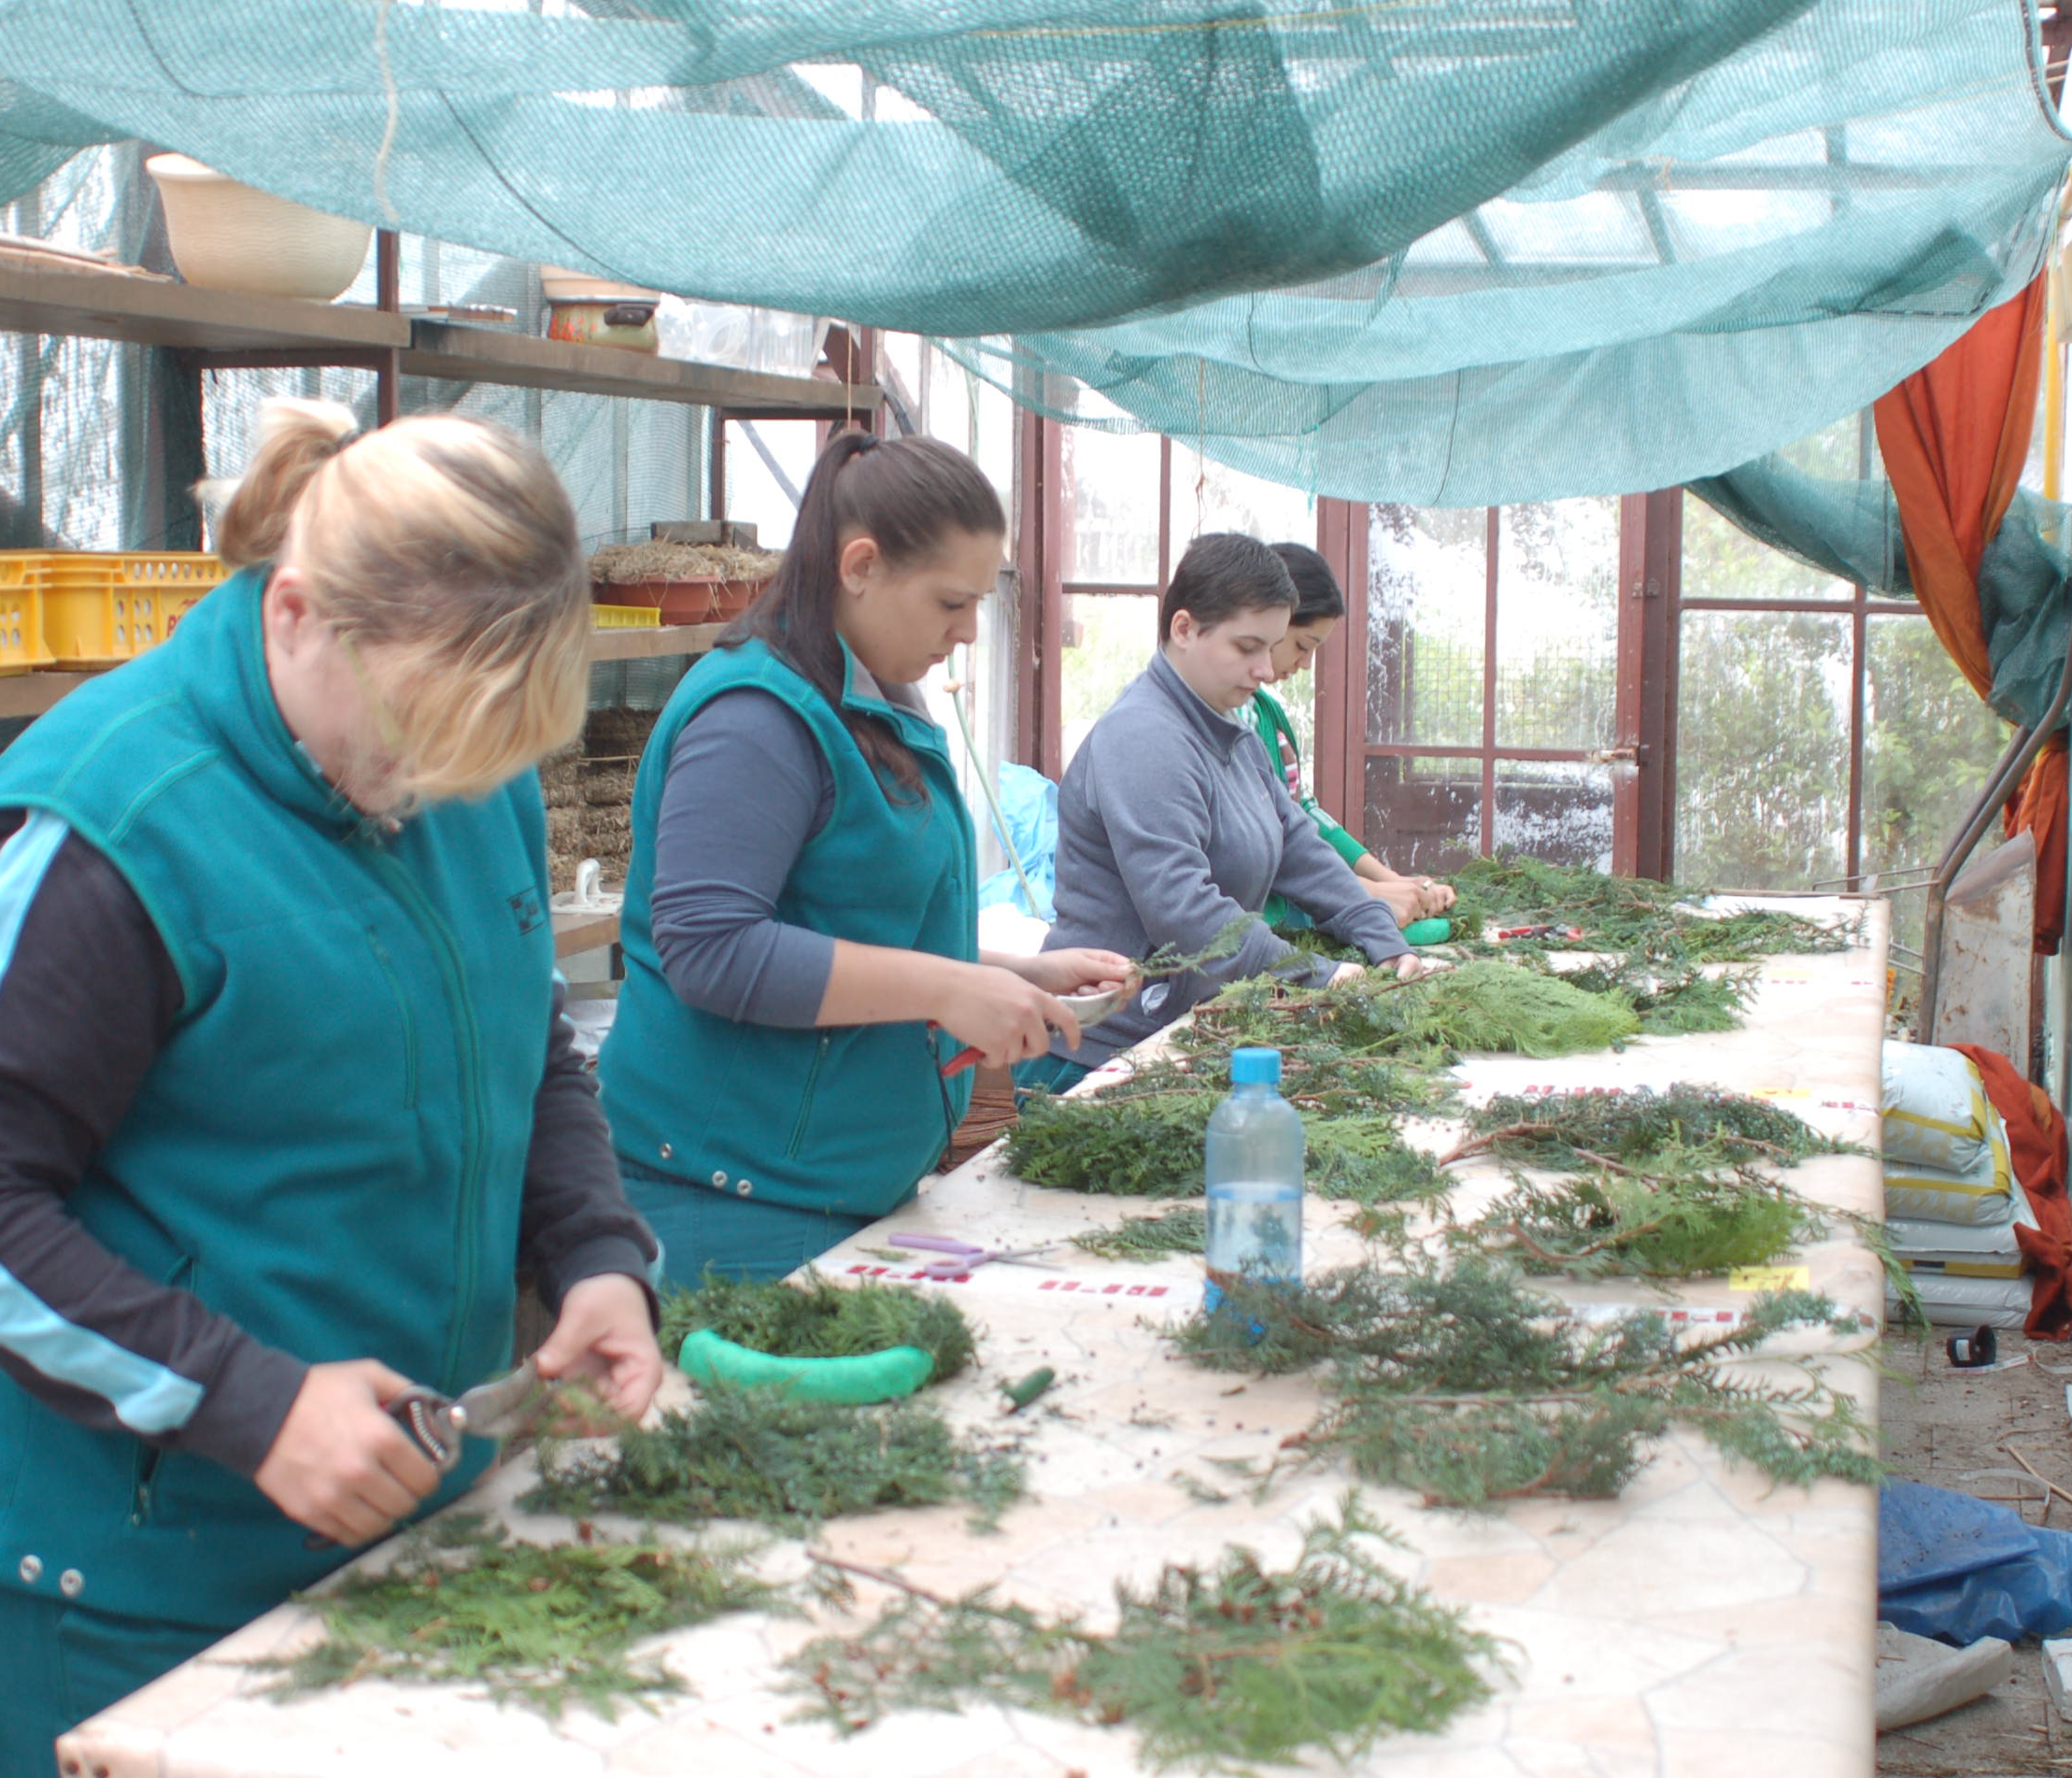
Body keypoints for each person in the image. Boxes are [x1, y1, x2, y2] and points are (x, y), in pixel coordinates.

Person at [0, 399, 664, 1778]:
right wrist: (250, 1401)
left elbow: (520, 1045)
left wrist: (592, 1254)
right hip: (132, 1576)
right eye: (418, 740)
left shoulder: (456, 773)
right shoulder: (109, 826)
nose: (433, 793)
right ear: (296, 611)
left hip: (408, 1508)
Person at [596, 432, 1131, 1282]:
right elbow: (713, 949)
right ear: (860, 567)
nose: (967, 631)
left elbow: (845, 918)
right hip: (735, 1200)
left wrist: (1008, 970)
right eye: (950, 602)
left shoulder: (869, 694)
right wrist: (951, 987)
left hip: (830, 1186)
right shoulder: (755, 719)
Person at [1034, 533, 1422, 1090]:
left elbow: (1296, 844)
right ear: (1185, 628)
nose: (1266, 668)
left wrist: (1379, 935)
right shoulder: (1144, 738)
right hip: (1099, 1054)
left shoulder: (1229, 729)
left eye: (1272, 646)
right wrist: (1321, 974)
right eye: (1247, 647)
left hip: (1177, 1035)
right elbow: (1183, 909)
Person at [1256, 542, 1455, 930]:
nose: (1304, 664)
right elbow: (1262, 847)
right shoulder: (1220, 720)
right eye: (1302, 645)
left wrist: (1390, 881)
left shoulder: (1269, 713)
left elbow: (1301, 816)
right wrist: (1364, 892)